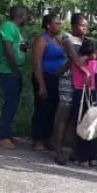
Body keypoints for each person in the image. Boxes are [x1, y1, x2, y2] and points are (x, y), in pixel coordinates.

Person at [53, 12, 89, 165]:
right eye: (82, 25)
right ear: (74, 26)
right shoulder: (67, 38)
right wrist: (88, 55)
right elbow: (75, 59)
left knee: (77, 116)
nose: (85, 28)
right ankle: (58, 151)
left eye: (86, 26)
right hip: (68, 79)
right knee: (64, 115)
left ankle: (75, 150)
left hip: (81, 81)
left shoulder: (86, 40)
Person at [0, 4, 30, 149]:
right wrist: (15, 69)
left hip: (15, 70)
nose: (28, 18)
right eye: (26, 15)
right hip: (8, 71)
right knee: (10, 103)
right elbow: (8, 49)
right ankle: (2, 136)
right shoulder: (8, 26)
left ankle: (8, 134)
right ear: (21, 15)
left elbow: (18, 48)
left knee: (14, 103)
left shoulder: (17, 30)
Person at [31, 14, 66, 152]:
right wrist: (41, 85)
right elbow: (37, 63)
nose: (59, 26)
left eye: (59, 23)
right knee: (41, 109)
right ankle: (37, 139)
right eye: (56, 23)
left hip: (56, 79)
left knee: (52, 110)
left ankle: (47, 138)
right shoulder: (41, 40)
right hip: (43, 77)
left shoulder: (58, 40)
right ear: (48, 25)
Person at [69, 38, 97, 167]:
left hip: (79, 93)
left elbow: (78, 63)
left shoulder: (77, 61)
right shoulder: (95, 62)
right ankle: (92, 156)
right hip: (91, 93)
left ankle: (83, 157)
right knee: (91, 125)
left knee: (81, 125)